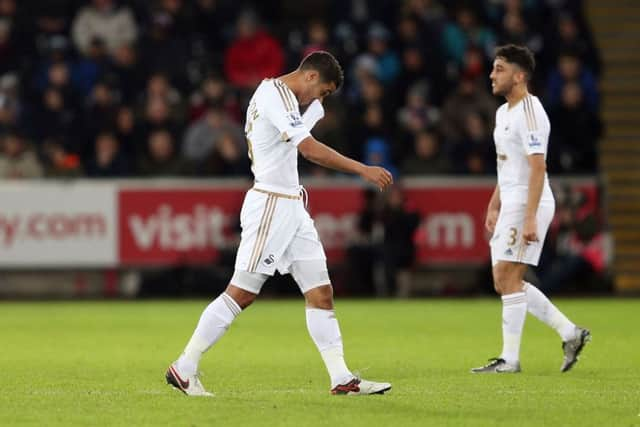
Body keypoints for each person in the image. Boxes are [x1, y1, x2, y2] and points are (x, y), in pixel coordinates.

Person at [166, 51, 393, 396]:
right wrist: (363, 169)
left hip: (291, 207)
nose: (321, 98)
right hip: (271, 203)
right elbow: (309, 150)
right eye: (324, 91)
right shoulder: (274, 95)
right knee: (241, 293)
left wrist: (314, 114)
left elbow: (290, 138)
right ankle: (185, 366)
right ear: (312, 77)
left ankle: (341, 378)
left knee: (321, 292)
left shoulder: (281, 98)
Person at [471, 45, 590, 374]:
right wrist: (494, 204)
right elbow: (506, 165)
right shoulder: (502, 113)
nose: (492, 75)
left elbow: (538, 168)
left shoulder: (530, 112)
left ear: (519, 76)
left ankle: (510, 359)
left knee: (509, 277)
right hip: (511, 199)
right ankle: (571, 333)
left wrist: (528, 216)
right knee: (503, 280)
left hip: (529, 200)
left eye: (499, 69)